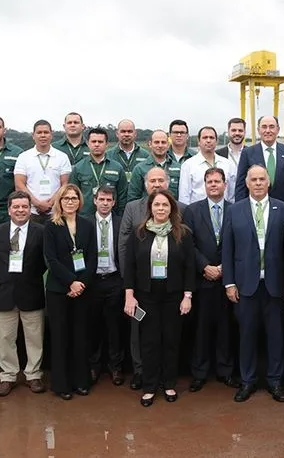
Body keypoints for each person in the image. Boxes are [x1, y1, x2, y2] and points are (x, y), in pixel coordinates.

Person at [222, 166, 284, 403]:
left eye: (263, 179)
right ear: (247, 183)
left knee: (275, 336)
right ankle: (247, 381)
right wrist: (229, 283)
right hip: (245, 286)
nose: (259, 183)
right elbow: (228, 250)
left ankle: (275, 382)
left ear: (268, 182)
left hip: (274, 285)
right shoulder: (234, 210)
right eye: (254, 179)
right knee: (247, 335)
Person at [123, 190, 195, 407]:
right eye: (157, 205)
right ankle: (149, 386)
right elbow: (130, 266)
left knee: (171, 341)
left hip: (174, 296)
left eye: (165, 205)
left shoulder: (182, 233)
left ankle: (169, 383)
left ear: (171, 208)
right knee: (150, 342)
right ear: (150, 208)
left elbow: (190, 267)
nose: (161, 209)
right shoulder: (139, 233)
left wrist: (187, 296)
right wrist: (129, 295)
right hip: (146, 297)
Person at [119, 167, 177, 390]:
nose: (156, 184)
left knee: (167, 334)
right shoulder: (133, 208)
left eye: (160, 180)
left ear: (168, 183)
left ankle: (166, 375)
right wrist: (129, 283)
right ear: (145, 184)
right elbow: (124, 243)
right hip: (141, 286)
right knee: (140, 332)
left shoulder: (179, 208)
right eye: (152, 180)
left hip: (169, 287)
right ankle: (140, 371)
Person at [183, 168, 240, 392]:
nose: (213, 185)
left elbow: (240, 243)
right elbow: (189, 243)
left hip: (228, 279)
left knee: (226, 328)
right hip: (203, 278)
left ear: (225, 185)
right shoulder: (192, 210)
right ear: (204, 185)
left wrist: (225, 267)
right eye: (209, 181)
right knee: (201, 329)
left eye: (217, 181)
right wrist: (204, 266)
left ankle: (225, 371)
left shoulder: (236, 210)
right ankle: (199, 373)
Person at [0, 191, 47, 397]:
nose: (20, 210)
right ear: (9, 209)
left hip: (31, 291)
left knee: (34, 337)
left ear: (30, 209)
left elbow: (44, 263)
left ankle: (33, 375)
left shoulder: (41, 232)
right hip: (4, 293)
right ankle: (8, 376)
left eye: (24, 207)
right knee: (4, 338)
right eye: (16, 207)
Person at [43, 184, 98, 400]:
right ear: (59, 201)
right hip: (59, 290)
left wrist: (81, 283)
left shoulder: (87, 225)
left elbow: (93, 258)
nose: (70, 202)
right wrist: (71, 283)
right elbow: (51, 260)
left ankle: (81, 382)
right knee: (60, 337)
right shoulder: (51, 226)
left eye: (74, 198)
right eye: (66, 198)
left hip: (83, 290)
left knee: (80, 336)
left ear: (80, 201)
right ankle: (61, 385)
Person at [86, 185, 126, 387]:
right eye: (101, 199)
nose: (105, 203)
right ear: (94, 200)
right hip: (92, 281)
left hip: (114, 279)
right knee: (92, 325)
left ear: (114, 202)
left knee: (114, 326)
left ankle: (115, 366)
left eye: (109, 200)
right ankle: (93, 366)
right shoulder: (85, 223)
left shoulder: (120, 223)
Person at [234, 115, 284, 211]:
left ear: (278, 129)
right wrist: (240, 210)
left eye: (271, 127)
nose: (268, 130)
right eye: (264, 127)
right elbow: (241, 185)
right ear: (258, 130)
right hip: (255, 209)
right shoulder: (248, 153)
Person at [14, 120, 72, 223]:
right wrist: (37, 203)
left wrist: (50, 204)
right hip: (31, 212)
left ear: (51, 135)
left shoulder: (62, 157)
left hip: (55, 212)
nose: (43, 135)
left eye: (46, 132)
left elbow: (65, 184)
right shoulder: (23, 157)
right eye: (39, 132)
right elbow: (19, 185)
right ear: (33, 135)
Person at [69, 127, 128, 217]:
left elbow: (122, 196)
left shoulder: (117, 167)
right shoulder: (78, 167)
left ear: (106, 144)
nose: (96, 144)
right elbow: (72, 194)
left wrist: (120, 217)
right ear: (88, 143)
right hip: (84, 217)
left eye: (100, 142)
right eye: (93, 141)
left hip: (110, 217)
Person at [179, 126, 237, 204]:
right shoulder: (188, 165)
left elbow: (231, 195)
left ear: (217, 141)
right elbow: (184, 197)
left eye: (211, 138)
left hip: (224, 212)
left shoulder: (228, 164)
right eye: (205, 137)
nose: (208, 140)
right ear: (198, 141)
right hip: (197, 213)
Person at [128, 130, 182, 203]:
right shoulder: (139, 169)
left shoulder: (179, 168)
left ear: (168, 144)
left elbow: (182, 196)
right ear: (150, 144)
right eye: (156, 142)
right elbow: (133, 197)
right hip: (146, 212)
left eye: (163, 142)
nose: (160, 145)